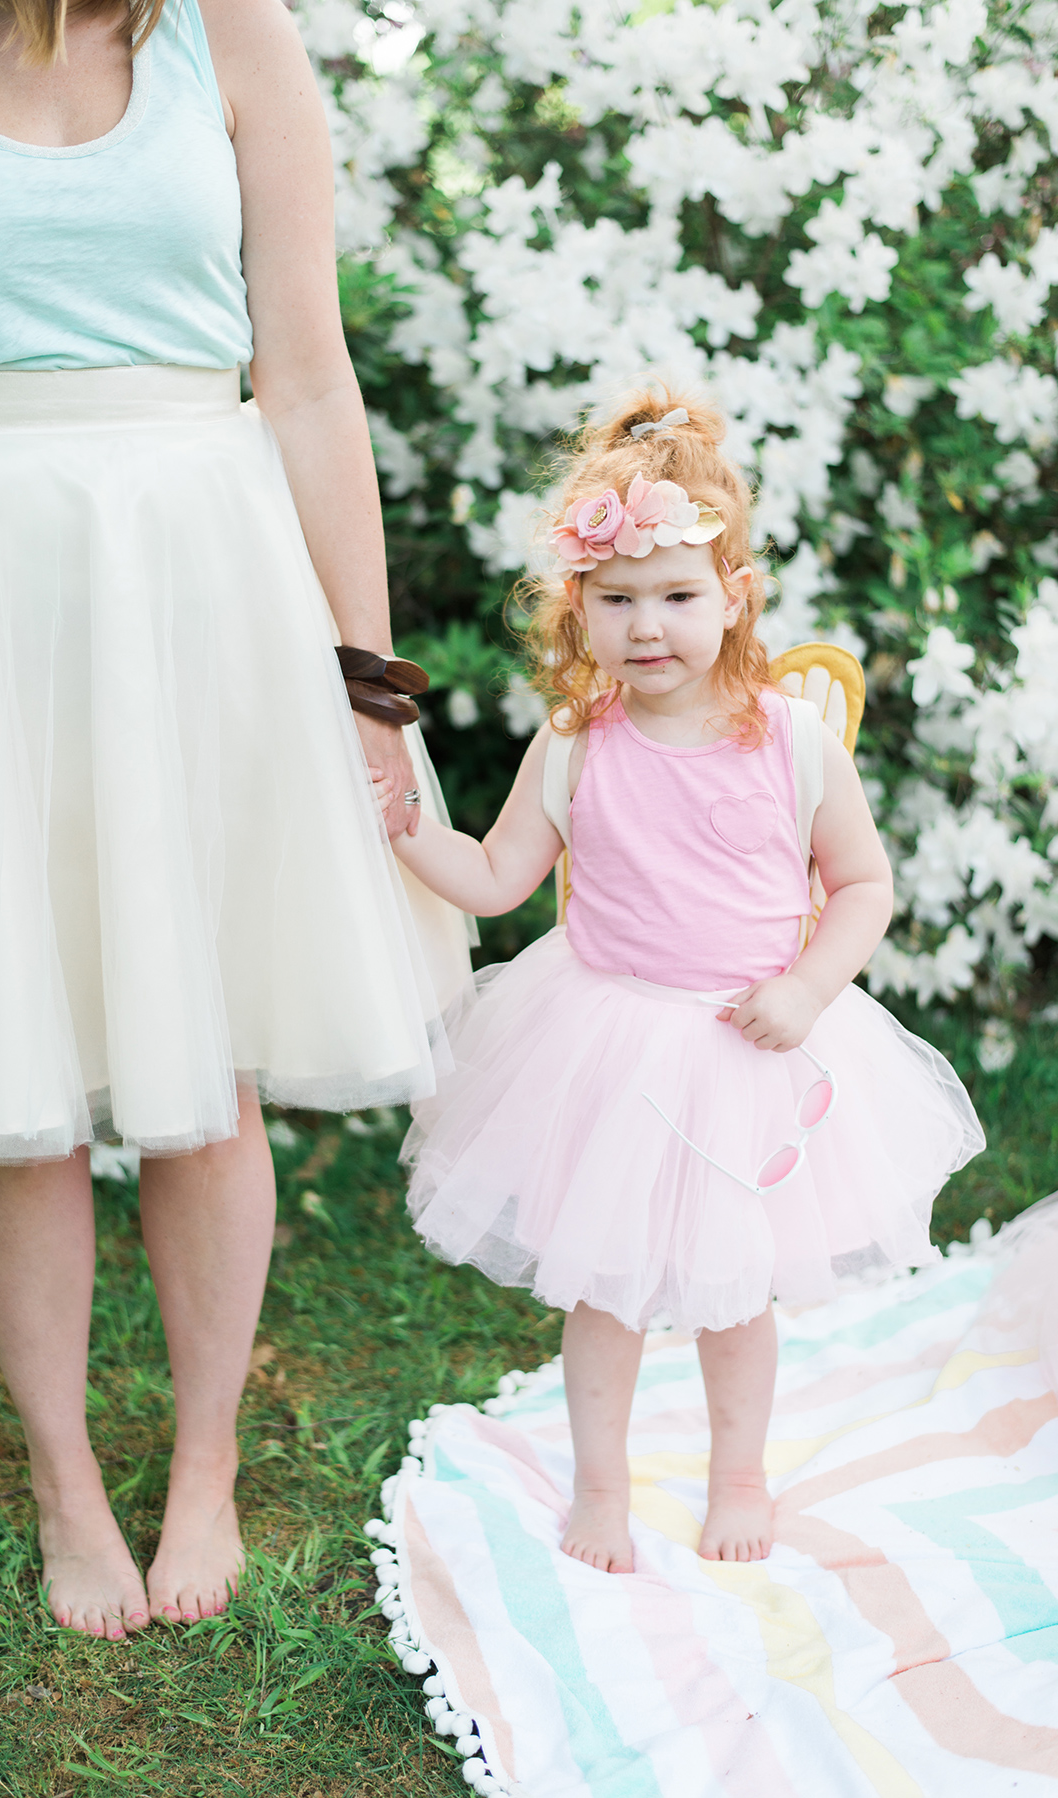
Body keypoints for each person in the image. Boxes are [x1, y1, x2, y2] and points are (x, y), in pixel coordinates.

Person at [0, 0, 466, 1638]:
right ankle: (66, 1481)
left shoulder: (232, 36)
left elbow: (313, 382)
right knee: (11, 1066)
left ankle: (205, 1470)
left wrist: (368, 682)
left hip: (200, 583)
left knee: (217, 1067)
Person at [385, 389, 985, 1573]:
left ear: (735, 597)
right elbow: (500, 876)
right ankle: (599, 1489)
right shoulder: (573, 740)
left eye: (676, 596)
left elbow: (863, 884)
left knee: (734, 1292)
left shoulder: (791, 742)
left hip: (748, 1044)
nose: (646, 627)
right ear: (579, 606)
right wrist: (403, 826)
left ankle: (740, 1476)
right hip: (605, 1041)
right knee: (603, 1294)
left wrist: (811, 986)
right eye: (616, 599)